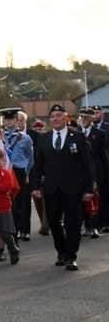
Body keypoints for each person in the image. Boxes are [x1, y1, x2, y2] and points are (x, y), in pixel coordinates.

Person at [30, 104, 95, 271]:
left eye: (59, 115)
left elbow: (87, 165)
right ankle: (61, 251)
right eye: (52, 116)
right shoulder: (44, 139)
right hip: (51, 189)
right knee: (53, 221)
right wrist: (35, 185)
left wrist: (89, 189)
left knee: (73, 222)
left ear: (66, 118)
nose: (55, 119)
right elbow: (38, 165)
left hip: (73, 188)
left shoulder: (78, 137)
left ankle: (71, 256)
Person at [1, 108, 34, 241]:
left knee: (23, 201)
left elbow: (30, 157)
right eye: (6, 119)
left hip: (19, 171)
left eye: (12, 119)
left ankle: (24, 229)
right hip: (5, 171)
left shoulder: (25, 138)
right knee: (8, 203)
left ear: (16, 120)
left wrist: (27, 172)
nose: (9, 122)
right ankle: (11, 230)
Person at [78, 108, 107, 238]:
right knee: (82, 199)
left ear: (91, 119)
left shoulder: (99, 134)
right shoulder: (75, 133)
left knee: (95, 198)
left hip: (96, 170)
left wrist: (105, 172)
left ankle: (95, 226)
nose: (84, 119)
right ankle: (86, 225)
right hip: (81, 172)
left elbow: (103, 155)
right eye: (82, 116)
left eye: (86, 117)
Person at [28, 119, 50, 236]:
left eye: (40, 129)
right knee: (37, 202)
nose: (38, 132)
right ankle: (43, 222)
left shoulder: (48, 140)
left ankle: (45, 225)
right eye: (36, 129)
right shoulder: (30, 142)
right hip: (33, 175)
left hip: (46, 175)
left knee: (46, 202)